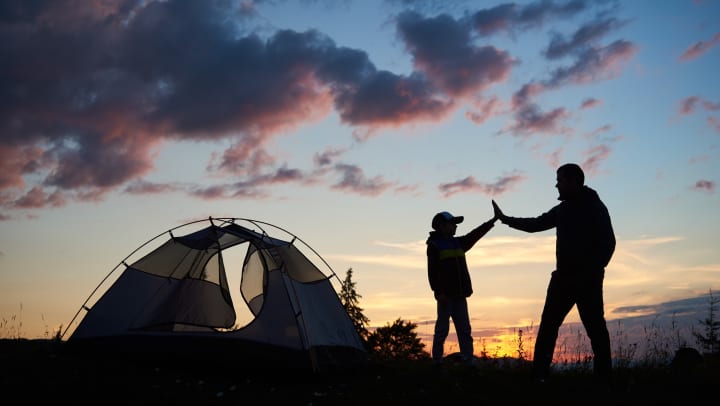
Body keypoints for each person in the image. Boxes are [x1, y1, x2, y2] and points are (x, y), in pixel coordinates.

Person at [492, 163, 615, 384]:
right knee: (548, 327)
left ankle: (604, 379)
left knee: (596, 330)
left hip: (587, 281)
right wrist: (506, 219)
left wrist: (593, 272)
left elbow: (609, 243)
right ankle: (539, 376)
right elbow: (536, 224)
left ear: (573, 181)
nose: (556, 185)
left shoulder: (595, 207)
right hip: (562, 279)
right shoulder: (563, 209)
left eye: (560, 180)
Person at [426, 210, 497, 368]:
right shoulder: (434, 246)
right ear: (442, 226)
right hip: (445, 296)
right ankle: (437, 361)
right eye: (452, 224)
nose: (455, 227)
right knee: (442, 329)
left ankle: (467, 360)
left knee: (464, 329)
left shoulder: (459, 243)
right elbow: (432, 272)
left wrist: (491, 222)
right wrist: (438, 292)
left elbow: (474, 235)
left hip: (460, 295)